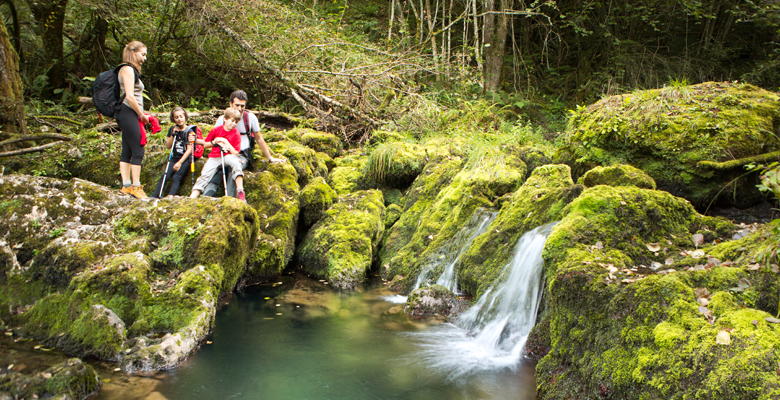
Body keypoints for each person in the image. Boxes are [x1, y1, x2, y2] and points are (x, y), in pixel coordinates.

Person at [203, 90, 284, 197]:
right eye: (237, 105)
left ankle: (230, 200)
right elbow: (212, 139)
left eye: (243, 106)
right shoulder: (222, 119)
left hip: (241, 154)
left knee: (234, 170)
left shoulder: (250, 118)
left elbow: (259, 138)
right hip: (222, 153)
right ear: (231, 104)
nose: (240, 109)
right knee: (216, 169)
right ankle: (207, 196)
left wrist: (270, 158)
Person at [190, 108, 248, 201]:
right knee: (205, 174)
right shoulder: (216, 130)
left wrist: (226, 143)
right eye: (232, 121)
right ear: (225, 119)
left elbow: (236, 152)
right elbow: (205, 144)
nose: (234, 124)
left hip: (228, 155)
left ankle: (240, 190)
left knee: (236, 164)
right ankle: (193, 196)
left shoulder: (236, 133)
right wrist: (215, 142)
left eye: (236, 122)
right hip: (215, 156)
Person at [116, 40, 149, 199]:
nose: (144, 58)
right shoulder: (127, 69)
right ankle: (136, 186)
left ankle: (126, 185)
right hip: (128, 111)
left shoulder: (129, 70)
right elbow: (129, 96)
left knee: (127, 149)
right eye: (142, 54)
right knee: (138, 148)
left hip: (128, 112)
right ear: (133, 52)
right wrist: (141, 114)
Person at [150, 107, 203, 198]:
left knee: (177, 177)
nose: (179, 119)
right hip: (174, 157)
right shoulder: (172, 129)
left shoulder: (189, 131)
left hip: (185, 158)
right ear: (173, 119)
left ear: (185, 117)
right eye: (176, 117)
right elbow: (168, 145)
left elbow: (189, 149)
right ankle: (155, 196)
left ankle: (171, 196)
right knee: (165, 176)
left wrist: (180, 162)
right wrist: (172, 134)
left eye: (181, 116)